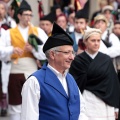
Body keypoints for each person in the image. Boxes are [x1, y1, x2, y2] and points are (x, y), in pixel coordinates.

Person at [21, 22, 88, 120]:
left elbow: (81, 111)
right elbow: (29, 117)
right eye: (67, 53)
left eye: (72, 53)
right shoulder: (34, 82)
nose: (72, 57)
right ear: (52, 54)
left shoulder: (70, 79)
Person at [3, 0, 48, 120]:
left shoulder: (37, 31)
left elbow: (46, 51)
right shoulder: (9, 33)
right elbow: (1, 52)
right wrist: (11, 50)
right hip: (15, 70)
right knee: (15, 104)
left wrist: (34, 49)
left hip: (32, 71)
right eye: (26, 15)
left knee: (33, 103)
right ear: (19, 16)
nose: (28, 18)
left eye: (30, 15)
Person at [69, 28, 120, 120]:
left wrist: (116, 107)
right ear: (85, 42)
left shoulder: (106, 60)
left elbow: (113, 84)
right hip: (86, 99)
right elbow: (73, 84)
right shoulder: (77, 61)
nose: (96, 43)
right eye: (93, 40)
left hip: (105, 102)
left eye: (98, 40)